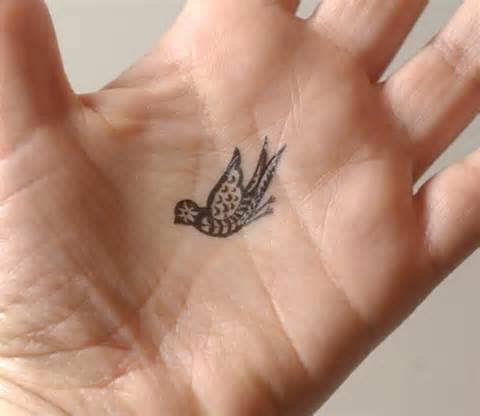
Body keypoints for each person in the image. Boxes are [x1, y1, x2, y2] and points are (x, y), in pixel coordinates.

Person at [0, 0, 477, 414]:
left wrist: (61, 396)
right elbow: (235, 186)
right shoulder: (213, 214)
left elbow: (235, 186)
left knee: (262, 169)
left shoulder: (215, 212)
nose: (190, 214)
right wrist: (58, 393)